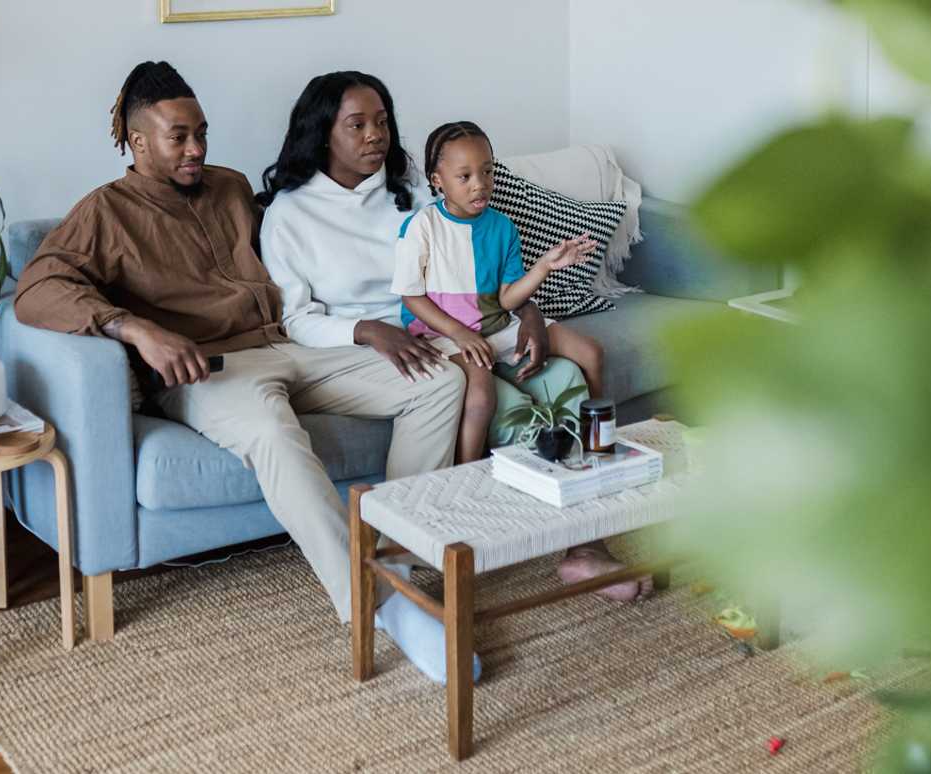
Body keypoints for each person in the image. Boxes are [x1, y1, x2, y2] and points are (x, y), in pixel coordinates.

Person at [13, 61, 476, 684]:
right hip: (208, 370)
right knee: (273, 430)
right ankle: (382, 607)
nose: (197, 148)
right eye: (179, 136)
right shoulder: (105, 213)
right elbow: (37, 288)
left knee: (439, 380)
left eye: (202, 132)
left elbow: (312, 245)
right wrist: (134, 328)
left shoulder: (231, 189)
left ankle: (390, 562)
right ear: (137, 139)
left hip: (290, 348)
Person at [257, 73, 652, 630]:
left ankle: (586, 542)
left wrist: (532, 314)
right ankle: (462, 526)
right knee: (476, 386)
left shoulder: (415, 192)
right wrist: (369, 330)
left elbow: (486, 272)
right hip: (394, 340)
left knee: (571, 370)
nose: (376, 136)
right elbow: (296, 320)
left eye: (383, 121)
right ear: (322, 134)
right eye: (357, 125)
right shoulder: (290, 215)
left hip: (477, 318)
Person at [393, 121, 607, 463]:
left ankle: (596, 446)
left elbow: (508, 299)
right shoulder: (421, 227)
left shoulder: (502, 226)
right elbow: (410, 296)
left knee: (591, 352)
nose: (480, 185)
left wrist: (543, 267)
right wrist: (459, 333)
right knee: (480, 399)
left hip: (498, 327)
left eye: (487, 172)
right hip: (444, 336)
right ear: (438, 181)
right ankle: (464, 473)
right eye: (465, 177)